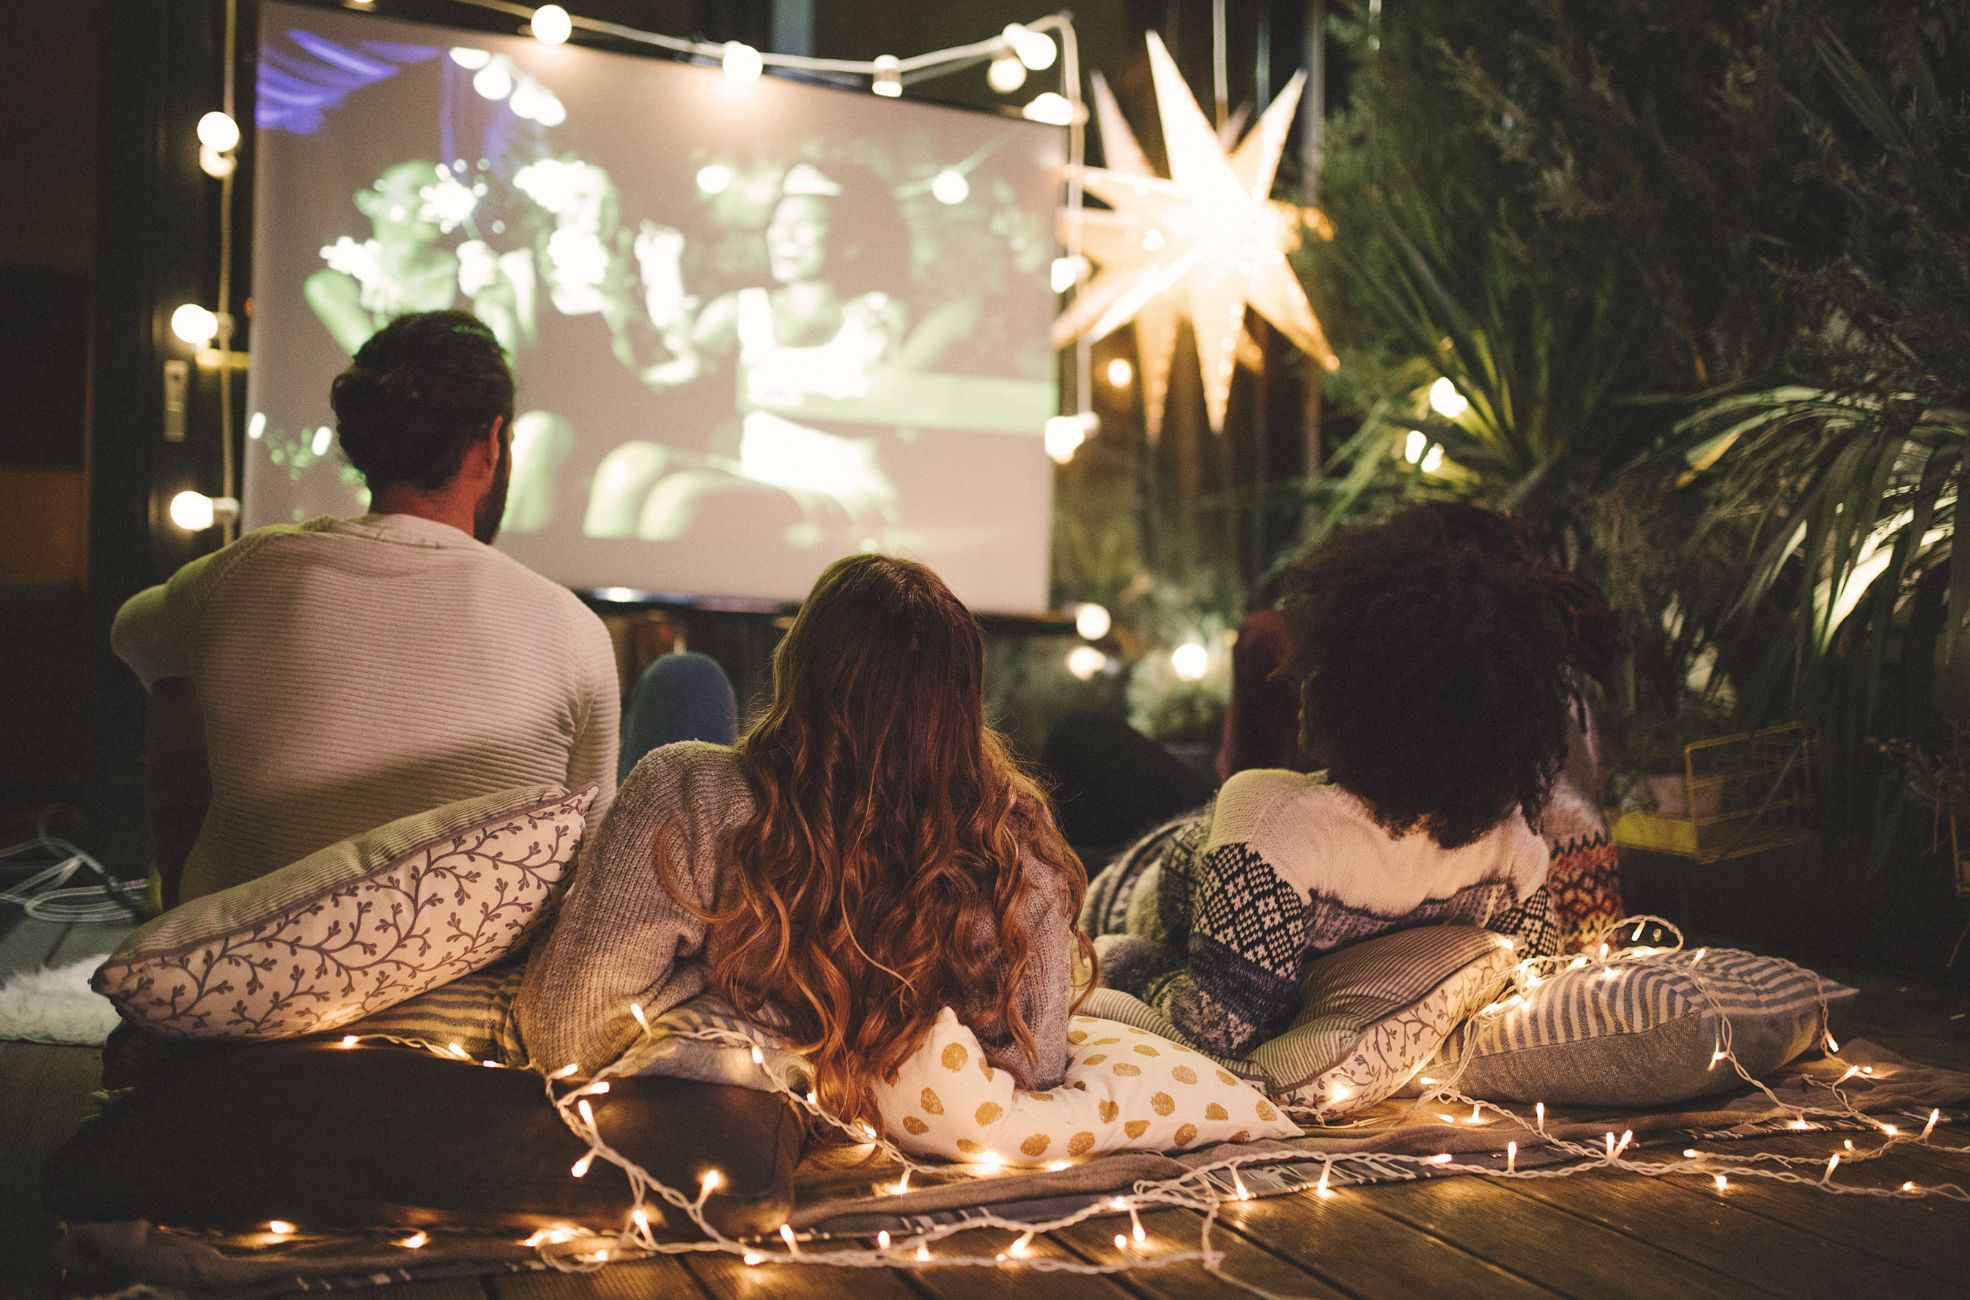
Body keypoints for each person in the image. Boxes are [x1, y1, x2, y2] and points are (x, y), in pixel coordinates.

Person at [516, 554, 1091, 1130]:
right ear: (965, 707)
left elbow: (566, 1035)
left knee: (686, 681)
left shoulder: (688, 792)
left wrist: (722, 990)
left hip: (716, 1128)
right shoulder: (1014, 835)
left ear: (794, 666)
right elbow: (1035, 1072)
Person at [112, 311, 619, 905]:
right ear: (489, 443)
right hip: (473, 975)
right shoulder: (573, 629)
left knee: (181, 684)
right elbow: (593, 864)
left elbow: (130, 635)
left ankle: (178, 912)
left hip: (244, 966)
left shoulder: (240, 574)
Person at [1092, 506, 1570, 1058]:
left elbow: (1215, 1031)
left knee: (1087, 741)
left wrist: (1114, 961)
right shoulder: (1515, 851)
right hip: (1199, 839)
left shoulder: (1275, 820)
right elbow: (1538, 994)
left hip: (1119, 886)